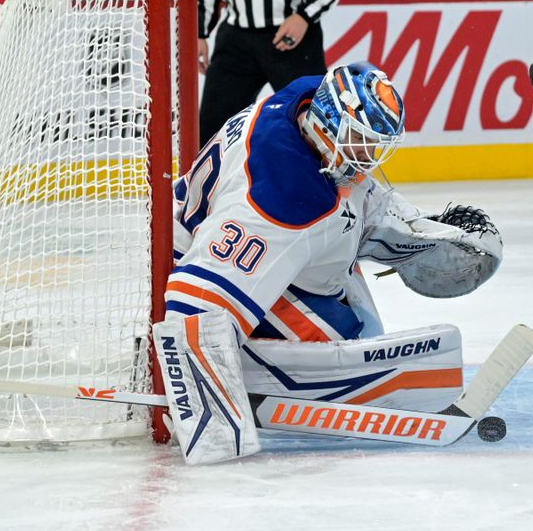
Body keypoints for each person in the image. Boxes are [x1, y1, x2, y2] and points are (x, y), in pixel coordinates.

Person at [152, 61, 504, 464]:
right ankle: (262, 371)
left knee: (352, 301)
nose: (369, 155)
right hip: (200, 255)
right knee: (347, 339)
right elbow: (197, 301)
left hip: (228, 226)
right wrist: (212, 423)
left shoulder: (304, 100)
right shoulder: (280, 202)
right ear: (328, 125)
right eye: (361, 141)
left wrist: (418, 236)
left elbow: (346, 203)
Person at [197, 0, 348, 147]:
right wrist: (199, 31)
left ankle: (329, 171)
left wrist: (305, 15)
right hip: (235, 38)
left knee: (318, 126)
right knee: (213, 130)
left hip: (294, 35)